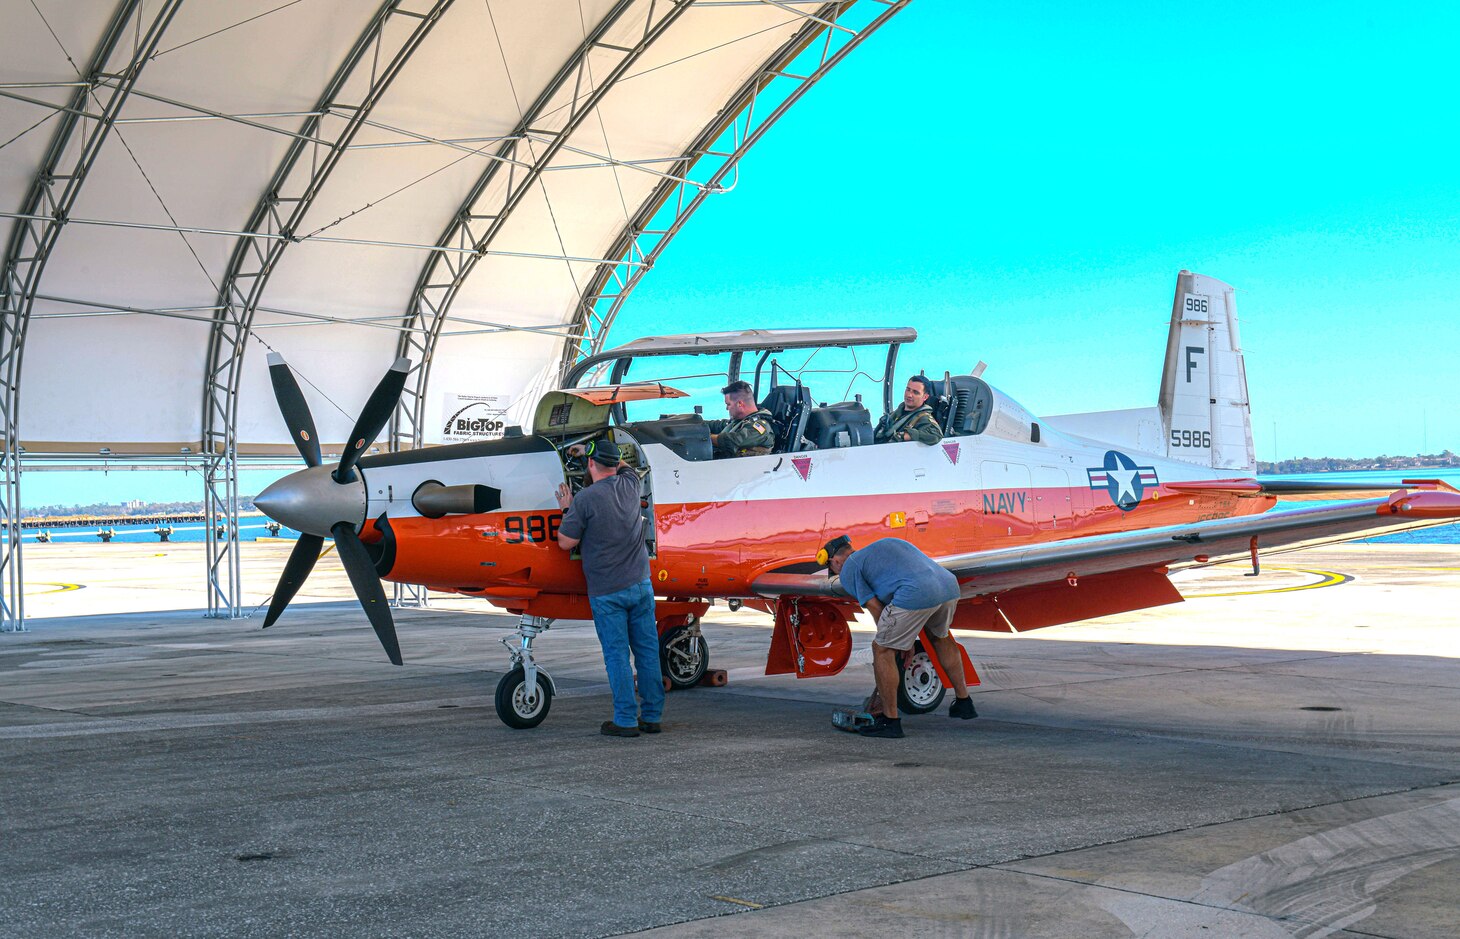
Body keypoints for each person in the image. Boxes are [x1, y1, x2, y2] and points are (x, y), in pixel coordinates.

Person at [555, 439, 664, 738]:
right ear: (615, 464)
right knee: (647, 652)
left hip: (607, 591)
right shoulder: (630, 484)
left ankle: (626, 721)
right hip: (640, 584)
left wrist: (566, 509)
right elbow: (625, 467)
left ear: (591, 465)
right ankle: (652, 716)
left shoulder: (585, 499)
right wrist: (594, 451)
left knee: (616, 655)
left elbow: (566, 542)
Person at [821, 534, 976, 738]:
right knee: (940, 637)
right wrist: (905, 638)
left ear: (836, 560)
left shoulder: (849, 568)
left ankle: (890, 722)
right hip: (947, 586)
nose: (835, 571)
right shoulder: (883, 546)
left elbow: (876, 608)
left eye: (832, 567)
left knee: (882, 649)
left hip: (916, 592)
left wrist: (897, 642)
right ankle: (964, 702)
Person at [706, 380, 778, 458]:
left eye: (728, 404)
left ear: (740, 404)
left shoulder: (760, 428)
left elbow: (733, 441)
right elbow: (719, 425)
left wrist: (704, 437)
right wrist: (696, 423)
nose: (727, 408)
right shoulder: (740, 422)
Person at [874, 375, 943, 445]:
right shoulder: (896, 414)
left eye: (915, 392)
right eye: (908, 389)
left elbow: (936, 435)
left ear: (925, 397)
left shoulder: (923, 418)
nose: (909, 395)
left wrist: (908, 435)